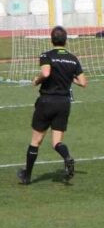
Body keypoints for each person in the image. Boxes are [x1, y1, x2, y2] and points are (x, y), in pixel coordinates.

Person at [17, 26, 87, 185]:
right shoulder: (73, 58)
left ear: (51, 39)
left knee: (36, 140)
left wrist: (37, 80)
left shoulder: (46, 55)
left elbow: (46, 73)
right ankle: (67, 157)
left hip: (47, 101)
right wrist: (70, 78)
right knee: (56, 142)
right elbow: (83, 82)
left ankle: (26, 175)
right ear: (66, 40)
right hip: (64, 103)